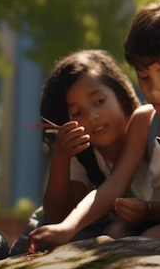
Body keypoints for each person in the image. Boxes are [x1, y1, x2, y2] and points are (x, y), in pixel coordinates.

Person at [27, 1, 160, 252]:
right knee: (114, 233)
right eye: (144, 77)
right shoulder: (145, 120)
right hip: (147, 219)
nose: (154, 89)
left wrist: (149, 210)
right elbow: (114, 185)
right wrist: (68, 227)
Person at [9, 49, 141, 256]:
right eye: (77, 113)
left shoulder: (146, 129)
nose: (93, 116)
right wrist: (61, 155)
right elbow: (56, 216)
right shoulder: (83, 153)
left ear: (121, 95)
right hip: (71, 226)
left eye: (99, 101)